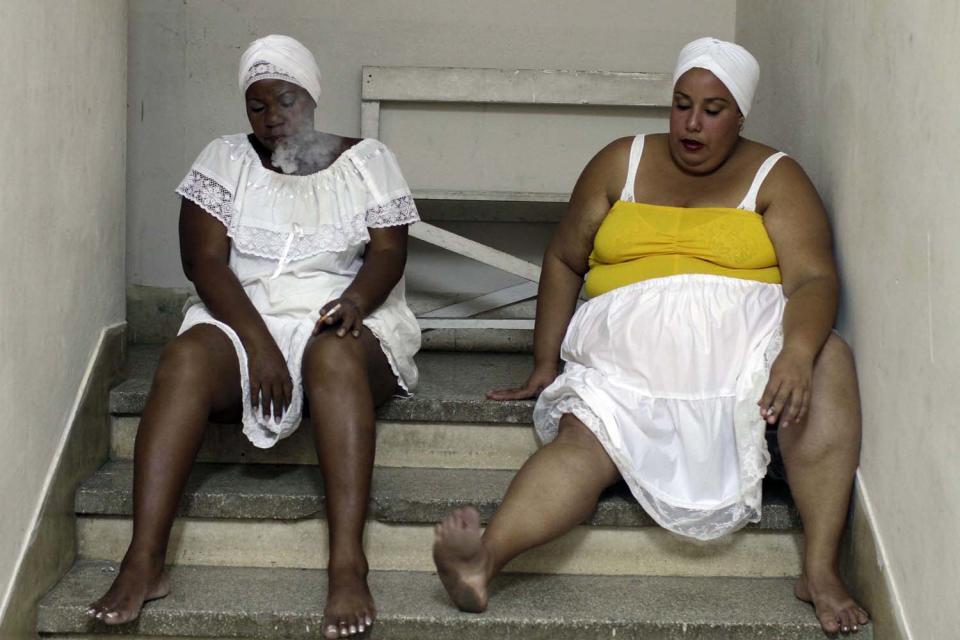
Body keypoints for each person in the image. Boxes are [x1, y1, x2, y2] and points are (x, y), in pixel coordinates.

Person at [433, 37, 869, 636]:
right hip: (625, 361)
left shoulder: (776, 175)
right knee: (580, 447)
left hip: (744, 357)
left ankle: (819, 570)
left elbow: (816, 277)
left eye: (713, 111)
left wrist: (796, 351)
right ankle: (484, 561)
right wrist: (543, 362)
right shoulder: (622, 161)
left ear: (740, 115)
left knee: (831, 360)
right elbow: (564, 259)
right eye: (681, 104)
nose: (692, 123)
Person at [87, 35, 421, 638]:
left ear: (311, 95)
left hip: (340, 311)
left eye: (286, 101)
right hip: (243, 313)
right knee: (186, 358)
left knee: (335, 353)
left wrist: (354, 301)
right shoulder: (224, 160)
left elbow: (390, 251)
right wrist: (261, 345)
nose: (273, 119)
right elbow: (205, 264)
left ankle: (348, 562)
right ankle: (144, 561)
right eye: (258, 107)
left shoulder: (368, 160)